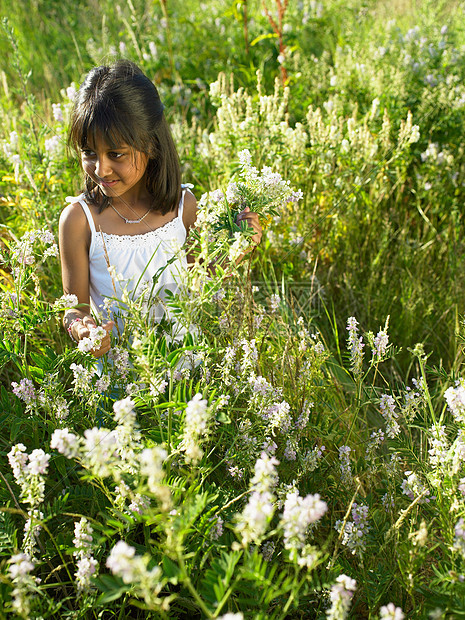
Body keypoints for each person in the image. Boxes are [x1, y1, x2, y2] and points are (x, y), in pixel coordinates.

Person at [59, 59, 262, 358]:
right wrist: (83, 329)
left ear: (150, 145)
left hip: (186, 370)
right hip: (119, 381)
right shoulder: (79, 220)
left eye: (116, 154)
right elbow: (73, 308)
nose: (101, 169)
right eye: (89, 153)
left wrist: (238, 249)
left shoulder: (183, 207)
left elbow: (200, 281)